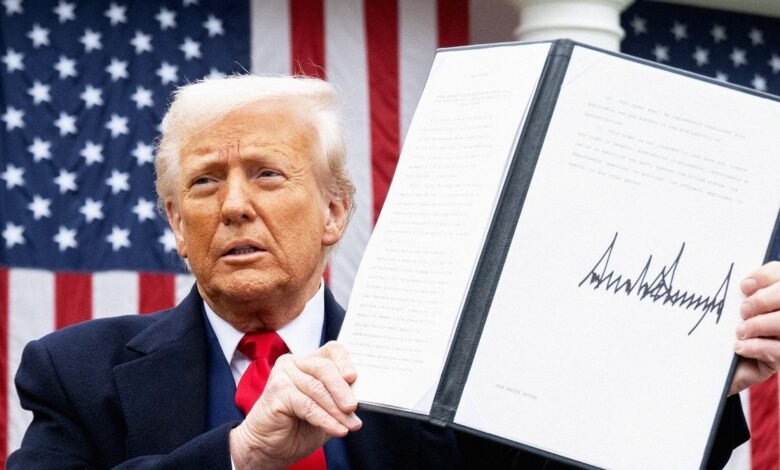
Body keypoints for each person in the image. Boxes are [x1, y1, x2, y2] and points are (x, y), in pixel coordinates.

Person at [5, 74, 778, 469]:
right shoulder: (76, 372)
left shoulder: (446, 374)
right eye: (205, 183)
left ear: (336, 211)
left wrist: (693, 375)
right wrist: (242, 455)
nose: (234, 205)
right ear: (176, 224)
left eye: (268, 176)